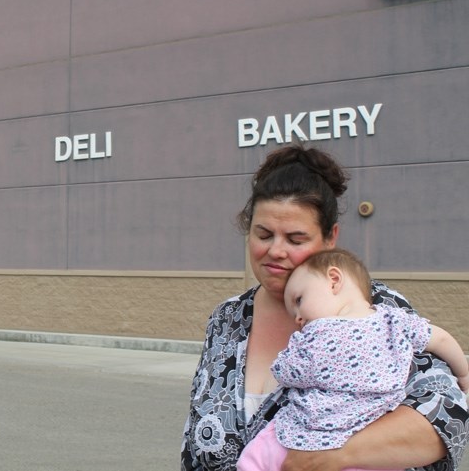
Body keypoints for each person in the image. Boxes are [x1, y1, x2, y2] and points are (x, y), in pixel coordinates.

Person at [180, 143, 469, 471]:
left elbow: (447, 415)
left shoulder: (376, 310)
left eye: (295, 239)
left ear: (330, 238)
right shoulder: (227, 318)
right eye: (264, 234)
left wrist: (332, 457)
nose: (276, 250)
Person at [236, 248, 469, 471]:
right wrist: (463, 373)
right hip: (371, 436)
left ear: (334, 280)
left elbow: (288, 372)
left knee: (256, 456)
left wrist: (284, 360)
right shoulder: (395, 320)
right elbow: (441, 340)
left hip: (312, 434)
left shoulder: (318, 333)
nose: (297, 317)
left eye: (299, 300)